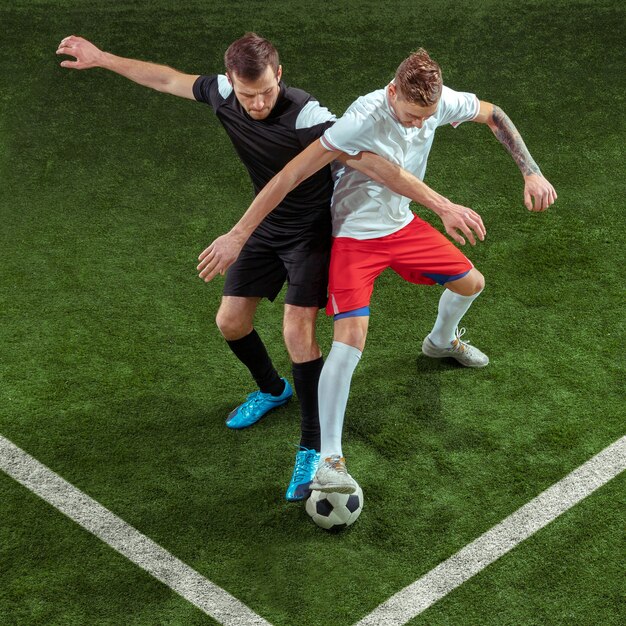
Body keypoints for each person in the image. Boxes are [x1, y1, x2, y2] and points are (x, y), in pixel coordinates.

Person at [56, 35, 478, 500]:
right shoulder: (222, 92)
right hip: (266, 224)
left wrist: (439, 204)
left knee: (298, 333)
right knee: (230, 321)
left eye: (265, 92)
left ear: (279, 74)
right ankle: (272, 389)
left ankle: (313, 449)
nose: (256, 103)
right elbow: (165, 79)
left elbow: (369, 163)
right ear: (231, 82)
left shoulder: (310, 116)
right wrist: (101, 59)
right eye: (245, 94)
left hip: (314, 232)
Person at [197, 48, 557, 494]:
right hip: (352, 237)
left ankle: (440, 342)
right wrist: (238, 234)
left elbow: (494, 114)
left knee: (471, 283)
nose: (416, 125)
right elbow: (288, 177)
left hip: (401, 224)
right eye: (409, 116)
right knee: (350, 341)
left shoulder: (438, 102)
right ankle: (330, 457)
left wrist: (532, 173)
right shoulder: (359, 120)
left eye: (425, 118)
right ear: (391, 93)